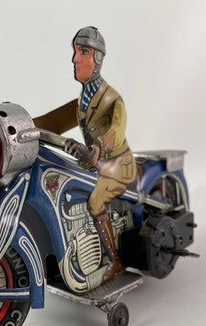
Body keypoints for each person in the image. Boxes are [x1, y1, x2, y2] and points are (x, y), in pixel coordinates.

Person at [33, 26, 137, 283]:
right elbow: (52, 121)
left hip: (116, 164)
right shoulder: (82, 101)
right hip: (93, 161)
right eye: (75, 52)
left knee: (94, 202)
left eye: (83, 52)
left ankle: (115, 261)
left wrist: (97, 148)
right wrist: (18, 124)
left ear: (98, 57)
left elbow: (116, 132)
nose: (75, 59)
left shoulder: (113, 99)